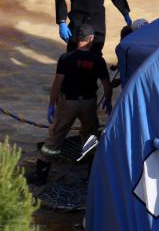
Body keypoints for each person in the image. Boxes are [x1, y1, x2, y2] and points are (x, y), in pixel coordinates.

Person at [28, 24, 112, 186]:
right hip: (89, 102)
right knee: (90, 136)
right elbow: (107, 85)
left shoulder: (66, 58)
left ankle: (41, 176)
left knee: (55, 136)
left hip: (68, 102)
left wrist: (51, 105)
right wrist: (107, 100)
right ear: (91, 39)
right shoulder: (98, 60)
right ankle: (91, 175)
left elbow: (57, 84)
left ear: (77, 39)